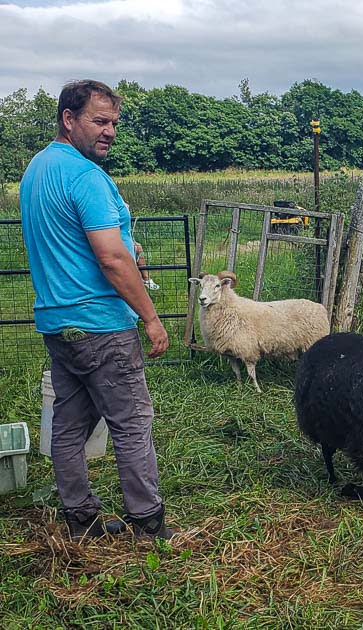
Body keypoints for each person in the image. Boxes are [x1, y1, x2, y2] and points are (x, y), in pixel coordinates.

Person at [19, 80, 174, 541]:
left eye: (113, 123)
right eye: (99, 121)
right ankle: (148, 524)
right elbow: (110, 258)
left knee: (68, 424)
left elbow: (73, 242)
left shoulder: (37, 170)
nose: (109, 131)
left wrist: (126, 244)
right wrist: (150, 316)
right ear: (70, 119)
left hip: (57, 321)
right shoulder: (87, 177)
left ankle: (79, 519)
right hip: (101, 326)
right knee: (131, 423)